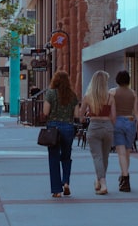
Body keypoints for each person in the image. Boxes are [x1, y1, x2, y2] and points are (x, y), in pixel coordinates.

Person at [42, 70, 80, 198]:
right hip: (68, 127)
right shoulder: (72, 95)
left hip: (53, 128)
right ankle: (66, 182)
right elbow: (76, 115)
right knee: (66, 156)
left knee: (53, 158)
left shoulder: (50, 93)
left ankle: (56, 190)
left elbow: (46, 112)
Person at [83, 70, 115, 195]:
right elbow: (113, 117)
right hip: (107, 127)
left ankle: (103, 183)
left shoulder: (88, 97)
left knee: (97, 156)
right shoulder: (110, 97)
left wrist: (88, 113)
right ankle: (98, 180)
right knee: (105, 156)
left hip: (94, 126)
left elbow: (80, 115)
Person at [110, 70, 138, 192]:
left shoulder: (112, 92)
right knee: (127, 152)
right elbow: (136, 112)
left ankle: (125, 177)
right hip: (130, 122)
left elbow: (110, 110)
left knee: (121, 153)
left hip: (117, 122)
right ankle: (124, 175)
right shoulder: (133, 93)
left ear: (117, 80)